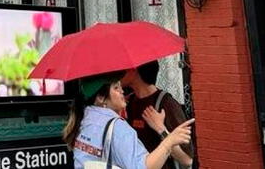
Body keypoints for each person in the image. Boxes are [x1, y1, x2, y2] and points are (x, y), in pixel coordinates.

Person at [64, 71, 194, 169]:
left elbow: (187, 159)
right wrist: (169, 141)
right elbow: (142, 167)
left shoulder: (85, 119)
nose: (122, 91)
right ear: (101, 98)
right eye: (116, 88)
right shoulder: (117, 127)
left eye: (120, 86)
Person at [122, 61, 193, 169]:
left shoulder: (166, 104)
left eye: (123, 68)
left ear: (134, 70)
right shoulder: (128, 103)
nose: (118, 73)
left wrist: (161, 129)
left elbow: (187, 160)